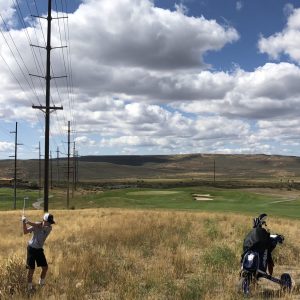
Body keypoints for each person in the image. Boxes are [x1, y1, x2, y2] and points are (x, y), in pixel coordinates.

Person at [22, 212, 55, 291]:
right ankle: (29, 288)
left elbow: (39, 226)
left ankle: (41, 283)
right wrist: (24, 223)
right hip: (31, 249)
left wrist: (28, 221)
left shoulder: (49, 228)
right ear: (44, 220)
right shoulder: (36, 225)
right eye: (49, 222)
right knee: (31, 269)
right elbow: (25, 232)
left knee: (45, 268)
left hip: (39, 249)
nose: (50, 224)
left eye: (50, 222)